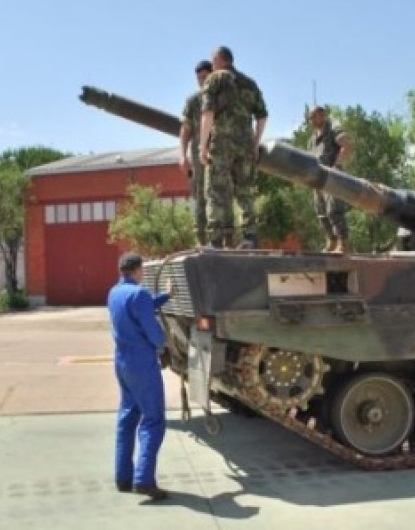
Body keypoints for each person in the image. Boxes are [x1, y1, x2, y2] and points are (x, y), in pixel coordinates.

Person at [106, 252, 171, 501]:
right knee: (153, 420)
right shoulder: (139, 294)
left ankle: (123, 477)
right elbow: (153, 332)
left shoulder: (114, 292)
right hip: (142, 363)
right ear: (137, 270)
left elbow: (138, 307)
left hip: (122, 362)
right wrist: (164, 343)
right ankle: (144, 479)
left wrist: (165, 296)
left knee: (127, 417)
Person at [198, 45, 268, 249]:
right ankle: (250, 237)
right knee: (245, 191)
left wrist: (203, 146)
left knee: (215, 190)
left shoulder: (215, 79)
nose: (212, 65)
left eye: (213, 61)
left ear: (219, 60)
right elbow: (262, 116)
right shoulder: (250, 83)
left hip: (222, 143)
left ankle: (215, 240)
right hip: (245, 145)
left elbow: (208, 113)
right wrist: (255, 143)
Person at [307, 105, 354, 253]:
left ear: (322, 115)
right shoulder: (312, 140)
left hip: (332, 178)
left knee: (334, 211)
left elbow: (346, 146)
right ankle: (331, 241)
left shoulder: (333, 129)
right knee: (321, 212)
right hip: (317, 180)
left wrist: (337, 167)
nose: (312, 120)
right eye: (311, 117)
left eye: (315, 116)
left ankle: (342, 242)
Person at [179, 59, 213, 246]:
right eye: (199, 78)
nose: (202, 81)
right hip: (199, 157)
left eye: (205, 77)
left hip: (221, 153)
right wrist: (182, 155)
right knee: (200, 196)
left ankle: (223, 238)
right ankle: (202, 240)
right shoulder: (193, 101)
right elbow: (185, 130)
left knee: (221, 195)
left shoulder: (223, 97)